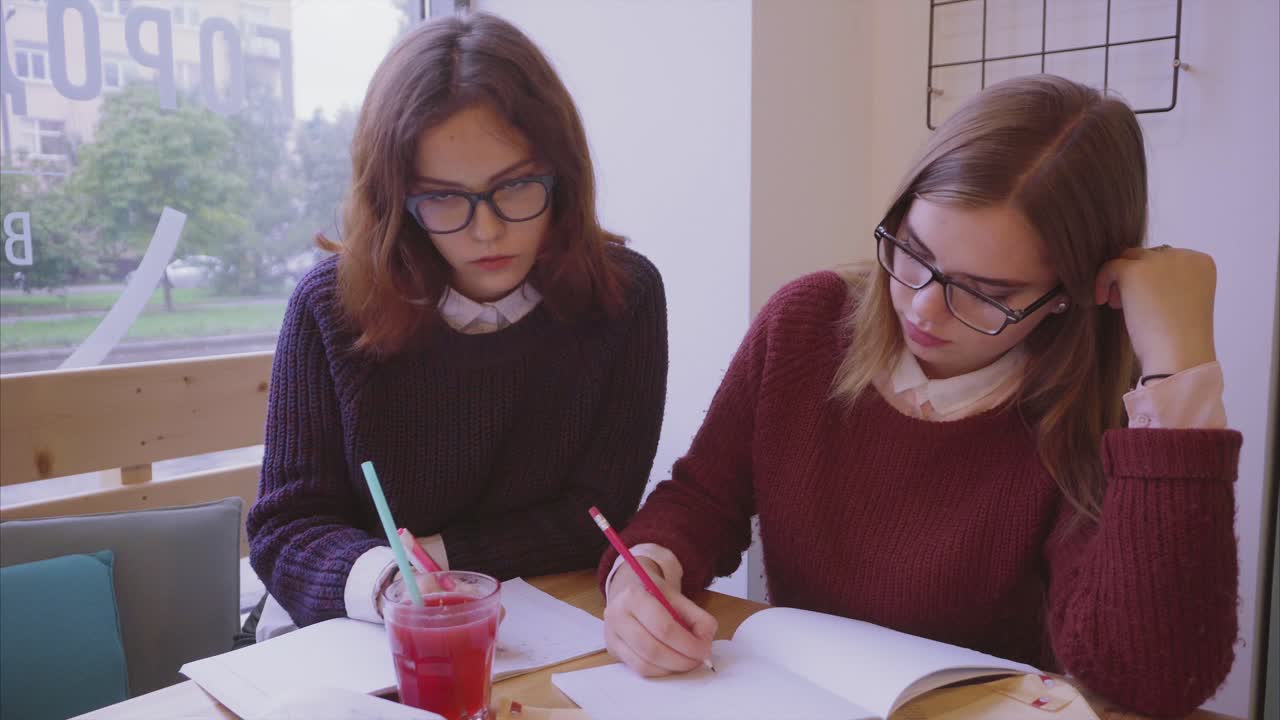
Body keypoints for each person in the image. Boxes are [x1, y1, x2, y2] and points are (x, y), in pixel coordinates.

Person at [598, 75, 1238, 718]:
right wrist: (645, 570)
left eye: (987, 291)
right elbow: (703, 498)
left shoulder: (1092, 414)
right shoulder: (808, 322)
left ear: (1067, 295)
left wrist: (1179, 371)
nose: (925, 308)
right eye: (914, 251)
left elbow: (1150, 681)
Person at [243, 11, 668, 643]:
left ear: (564, 176)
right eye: (444, 196)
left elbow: (596, 513)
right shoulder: (331, 305)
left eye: (517, 186)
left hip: (542, 624)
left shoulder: (624, 297)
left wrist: (441, 559)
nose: (487, 230)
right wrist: (392, 582)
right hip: (347, 632)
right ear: (397, 200)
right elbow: (286, 529)